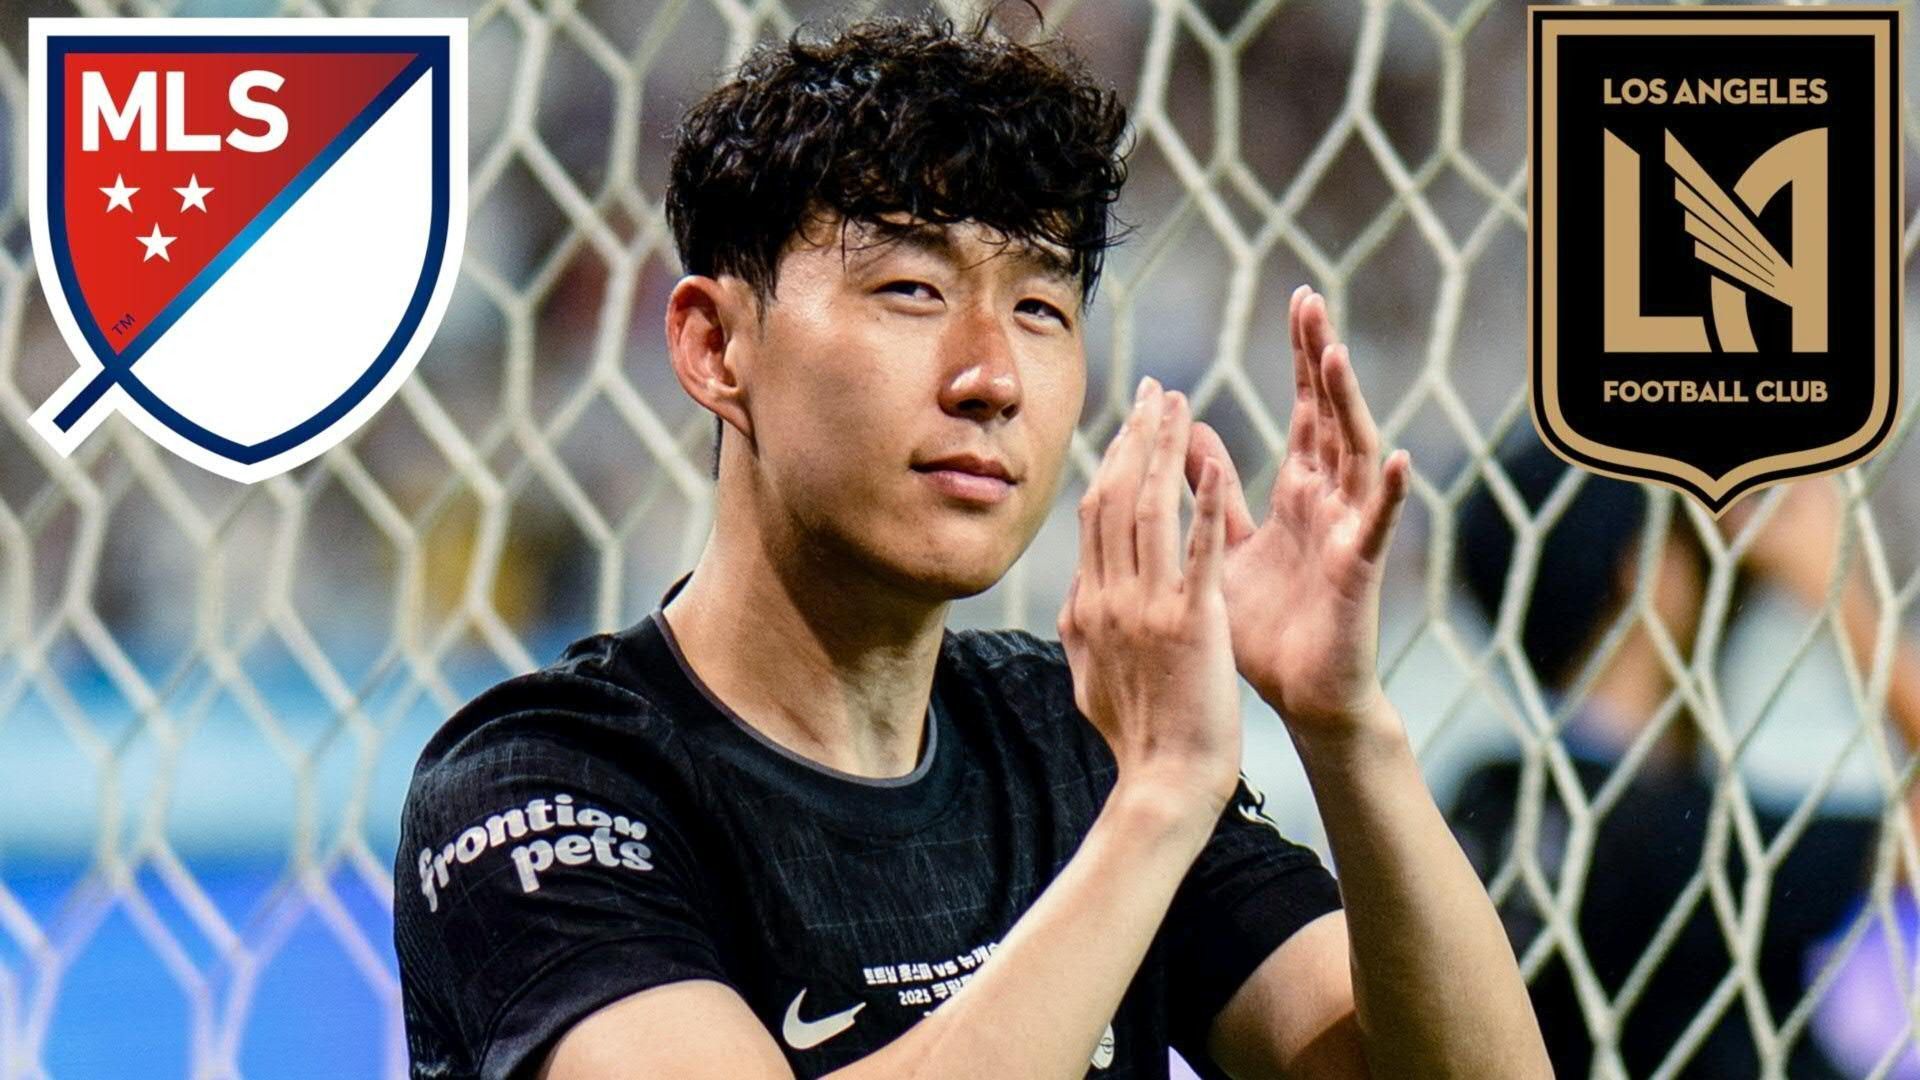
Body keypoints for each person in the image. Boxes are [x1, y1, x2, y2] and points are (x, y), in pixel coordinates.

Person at [393, 12, 1549, 1079]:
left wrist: (1344, 727)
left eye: (1040, 309)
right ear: (714, 346)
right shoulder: (548, 787)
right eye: (909, 289)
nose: (992, 377)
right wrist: (1153, 809)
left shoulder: (1075, 737)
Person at [1450, 441, 1918, 1078]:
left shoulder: (1486, 802)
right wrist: (1842, 596)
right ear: (1639, 570)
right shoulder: (1684, 843)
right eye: (1688, 538)